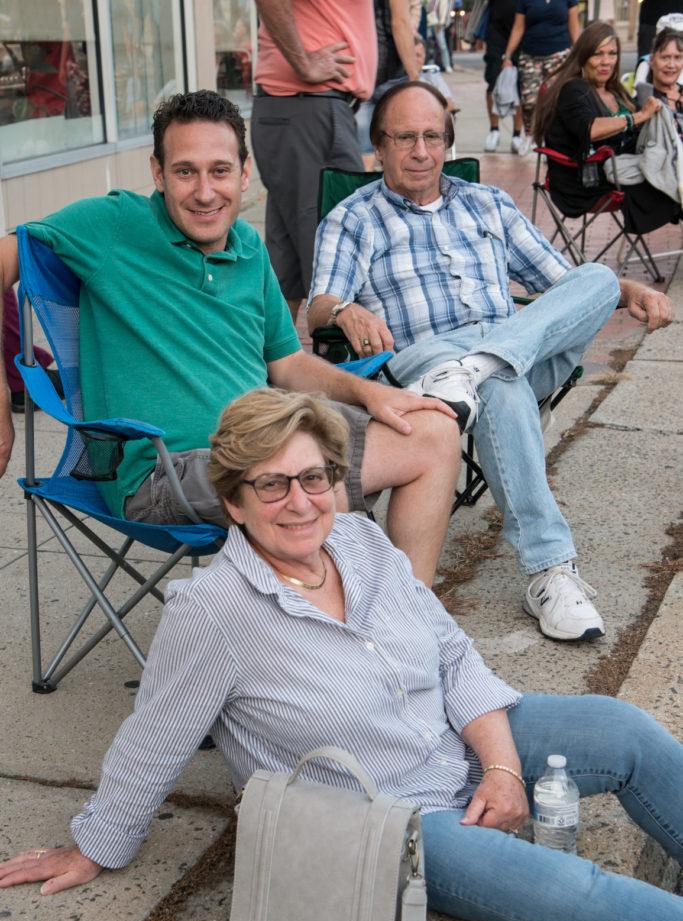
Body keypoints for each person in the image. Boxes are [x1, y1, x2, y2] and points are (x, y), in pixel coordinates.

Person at [1, 388, 681, 921]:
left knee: (623, 732)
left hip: (454, 738)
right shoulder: (212, 609)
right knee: (574, 891)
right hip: (389, 821)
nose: (300, 503)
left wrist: (501, 768)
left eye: (315, 477)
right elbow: (154, 738)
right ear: (233, 502)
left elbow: (452, 656)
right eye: (272, 485)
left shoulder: (358, 539)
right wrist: (96, 844)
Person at [0, 89, 461, 589]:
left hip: (270, 442)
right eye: (185, 172)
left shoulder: (247, 247)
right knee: (302, 482)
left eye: (219, 171)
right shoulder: (112, 225)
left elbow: (286, 363)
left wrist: (373, 394)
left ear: (245, 173)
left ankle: (414, 620)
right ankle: (341, 637)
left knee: (433, 433)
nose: (204, 192)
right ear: (158, 173)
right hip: (163, 471)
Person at [307, 80, 673, 642]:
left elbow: (560, 283)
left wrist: (627, 291)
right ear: (378, 147)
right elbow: (319, 309)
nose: (421, 151)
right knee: (502, 391)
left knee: (596, 277)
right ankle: (551, 572)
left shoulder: (489, 203)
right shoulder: (355, 218)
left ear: (448, 142)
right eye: (404, 137)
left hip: (512, 347)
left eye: (432, 136)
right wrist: (348, 309)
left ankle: (480, 367)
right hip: (429, 362)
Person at [250, 0, 377, 324]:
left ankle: (265, 368)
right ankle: (340, 372)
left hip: (304, 111)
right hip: (310, 109)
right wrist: (303, 62)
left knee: (287, 269)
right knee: (338, 264)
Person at [534, 22, 682, 235]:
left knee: (671, 171)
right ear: (583, 57)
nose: (606, 61)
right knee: (671, 180)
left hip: (620, 172)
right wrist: (639, 117)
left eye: (612, 53)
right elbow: (590, 129)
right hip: (585, 183)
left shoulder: (615, 91)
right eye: (597, 54)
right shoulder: (574, 89)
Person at [501, 0, 581, 144]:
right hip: (530, 55)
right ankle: (532, 137)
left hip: (560, 55)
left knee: (555, 101)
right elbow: (518, 27)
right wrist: (507, 55)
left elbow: (574, 26)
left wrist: (580, 53)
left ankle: (553, 140)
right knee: (529, 101)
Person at [355, 0, 422, 170]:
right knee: (400, 148)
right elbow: (400, 23)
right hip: (391, 71)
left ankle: (365, 192)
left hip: (362, 70)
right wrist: (414, 77)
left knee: (364, 150)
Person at [482, 0, 525, 153]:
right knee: (492, 82)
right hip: (496, 31)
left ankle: (517, 135)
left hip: (523, 29)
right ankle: (494, 131)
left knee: (521, 86)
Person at [646, 27, 683, 140]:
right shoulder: (643, 101)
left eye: (677, 57)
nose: (671, 65)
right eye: (665, 57)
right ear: (651, 60)